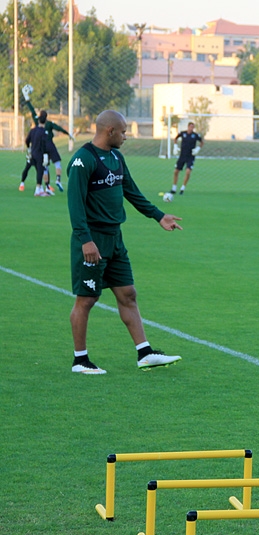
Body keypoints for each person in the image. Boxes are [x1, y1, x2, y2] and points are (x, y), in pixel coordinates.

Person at [67, 110, 184, 375]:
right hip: (92, 240)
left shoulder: (116, 158)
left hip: (115, 239)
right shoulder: (83, 160)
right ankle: (80, 360)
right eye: (123, 132)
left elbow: (131, 191)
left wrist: (158, 215)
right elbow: (75, 205)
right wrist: (86, 240)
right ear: (109, 131)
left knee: (128, 293)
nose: (126, 136)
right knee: (87, 299)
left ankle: (145, 353)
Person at [21, 84, 74, 193]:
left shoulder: (35, 125)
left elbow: (32, 110)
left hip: (39, 148)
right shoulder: (49, 124)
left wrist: (27, 99)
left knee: (44, 167)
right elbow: (58, 128)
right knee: (57, 162)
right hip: (49, 145)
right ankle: (57, 180)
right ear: (46, 118)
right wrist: (68, 134)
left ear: (39, 118)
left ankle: (46, 186)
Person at [168, 121, 203, 196]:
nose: (191, 128)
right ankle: (174, 188)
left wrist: (198, 149)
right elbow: (175, 138)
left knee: (188, 172)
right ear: (188, 127)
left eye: (193, 127)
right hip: (182, 156)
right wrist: (175, 146)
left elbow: (202, 142)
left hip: (190, 156)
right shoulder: (183, 133)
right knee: (176, 171)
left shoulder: (195, 135)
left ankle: (182, 188)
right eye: (190, 126)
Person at [25, 119, 50, 197]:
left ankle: (41, 189)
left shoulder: (33, 130)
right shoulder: (43, 132)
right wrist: (45, 154)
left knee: (37, 170)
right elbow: (44, 144)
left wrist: (29, 148)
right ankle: (37, 190)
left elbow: (27, 140)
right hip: (40, 154)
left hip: (33, 153)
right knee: (40, 171)